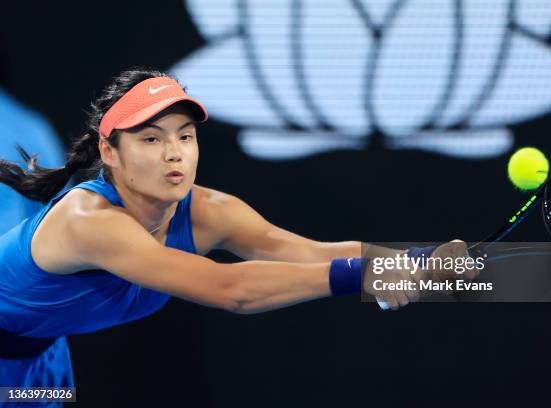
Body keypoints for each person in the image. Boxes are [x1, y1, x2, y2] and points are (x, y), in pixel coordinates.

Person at [0, 68, 471, 402]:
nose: (174, 154)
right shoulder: (89, 220)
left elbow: (309, 254)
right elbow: (232, 290)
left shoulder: (208, 211)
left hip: (40, 363)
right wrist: (362, 276)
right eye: (151, 139)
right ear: (110, 150)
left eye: (185, 136)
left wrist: (417, 258)